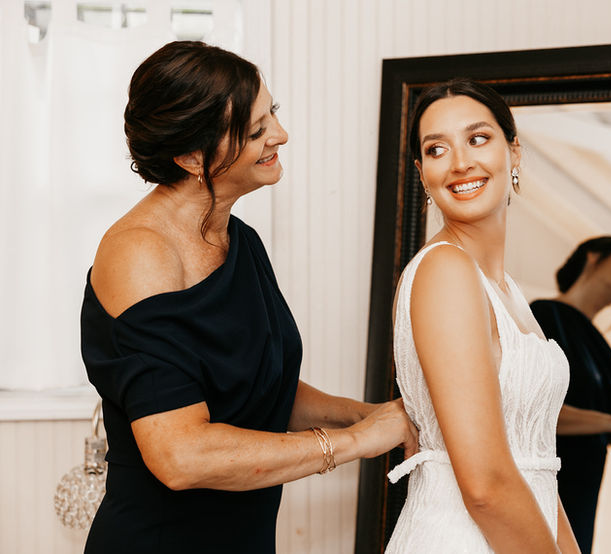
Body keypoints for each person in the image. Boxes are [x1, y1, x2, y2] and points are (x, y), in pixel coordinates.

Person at [80, 41, 418, 554]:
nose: (281, 135)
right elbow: (181, 456)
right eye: (258, 130)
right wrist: (356, 442)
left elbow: (260, 390)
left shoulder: (241, 241)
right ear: (193, 156)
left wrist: (369, 415)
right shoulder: (140, 255)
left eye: (273, 114)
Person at [383, 78, 580, 553]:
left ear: (513, 152)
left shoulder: (507, 290)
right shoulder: (444, 272)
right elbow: (486, 486)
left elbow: (534, 464)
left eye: (477, 138)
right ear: (422, 173)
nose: (460, 163)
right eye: (436, 149)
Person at [530, 236, 611, 553]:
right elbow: (535, 412)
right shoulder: (543, 316)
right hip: (544, 486)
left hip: (584, 495)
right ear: (593, 256)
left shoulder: (604, 352)